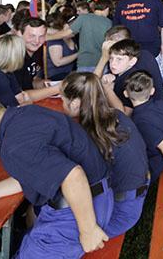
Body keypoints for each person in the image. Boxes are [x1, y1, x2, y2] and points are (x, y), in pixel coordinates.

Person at [0, 89, 113, 256]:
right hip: (92, 197)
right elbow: (37, 173)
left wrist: (88, 230)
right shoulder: (24, 115)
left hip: (78, 210)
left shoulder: (14, 146)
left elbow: (72, 176)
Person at [60, 73, 149, 239]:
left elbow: (78, 180)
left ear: (75, 104)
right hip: (136, 194)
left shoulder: (87, 136)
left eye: (62, 98)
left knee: (55, 223)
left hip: (121, 210)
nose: (61, 102)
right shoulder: (115, 115)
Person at [113, 0, 163, 72]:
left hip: (129, 50)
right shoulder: (154, 1)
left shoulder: (121, 4)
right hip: (152, 49)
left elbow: (116, 30)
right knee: (153, 78)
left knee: (131, 79)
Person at [0, 34, 57, 107]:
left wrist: (25, 101)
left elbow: (20, 97)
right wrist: (28, 103)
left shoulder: (7, 71)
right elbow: (14, 109)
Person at [101, 39, 163, 114]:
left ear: (132, 61)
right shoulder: (143, 55)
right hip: (160, 110)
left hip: (143, 121)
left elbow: (125, 115)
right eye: (111, 58)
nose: (113, 64)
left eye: (119, 59)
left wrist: (107, 89)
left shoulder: (130, 80)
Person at [71, 0, 112, 73]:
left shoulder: (83, 18)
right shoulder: (109, 23)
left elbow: (69, 33)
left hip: (84, 62)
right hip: (101, 62)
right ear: (107, 9)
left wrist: (49, 37)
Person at [46, 14, 78, 80]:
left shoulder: (72, 38)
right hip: (58, 75)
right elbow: (58, 62)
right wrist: (78, 54)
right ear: (65, 26)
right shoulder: (55, 40)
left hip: (69, 73)